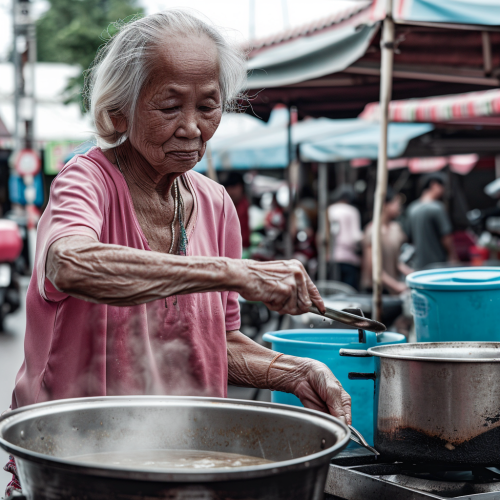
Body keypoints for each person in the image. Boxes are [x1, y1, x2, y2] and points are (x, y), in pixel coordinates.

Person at [3, 10, 351, 497]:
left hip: (185, 464)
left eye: (208, 106)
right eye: (168, 107)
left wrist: (295, 371)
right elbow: (68, 263)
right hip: (75, 466)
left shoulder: (216, 204)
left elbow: (219, 342)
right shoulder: (88, 180)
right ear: (120, 110)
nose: (192, 128)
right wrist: (231, 272)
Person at [362, 188, 413, 295]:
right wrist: (396, 285)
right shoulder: (372, 231)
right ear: (385, 205)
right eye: (396, 203)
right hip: (375, 291)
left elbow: (397, 262)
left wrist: (413, 275)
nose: (399, 206)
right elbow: (372, 267)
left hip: (392, 291)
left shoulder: (396, 228)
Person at [406, 173, 458, 270]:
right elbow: (446, 238)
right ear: (434, 185)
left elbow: (409, 238)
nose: (444, 190)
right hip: (437, 265)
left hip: (419, 265)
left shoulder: (412, 208)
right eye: (443, 186)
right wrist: (453, 257)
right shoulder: (437, 208)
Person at [327, 185, 362, 289]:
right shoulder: (352, 211)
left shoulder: (330, 209)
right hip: (349, 257)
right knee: (348, 289)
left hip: (332, 256)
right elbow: (355, 236)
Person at [221, 172, 250, 250]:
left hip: (241, 247)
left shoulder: (243, 204)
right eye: (228, 187)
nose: (231, 191)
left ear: (241, 187)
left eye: (233, 187)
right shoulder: (225, 205)